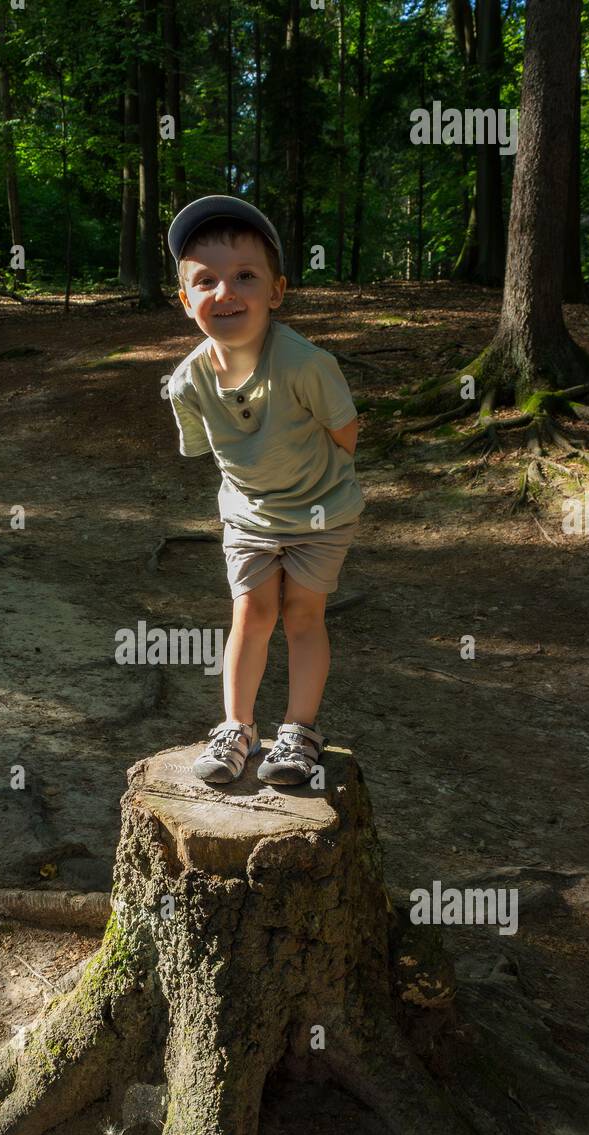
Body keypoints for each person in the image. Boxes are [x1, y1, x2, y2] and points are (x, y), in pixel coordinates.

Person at [166, 195, 364, 785]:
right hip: (249, 517)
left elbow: (346, 433)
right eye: (206, 280)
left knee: (303, 613)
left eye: (244, 277)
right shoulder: (188, 380)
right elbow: (209, 451)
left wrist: (312, 495)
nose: (225, 292)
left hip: (322, 513)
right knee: (251, 613)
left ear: (275, 291)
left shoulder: (306, 364)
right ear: (186, 300)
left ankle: (299, 730)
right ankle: (236, 727)